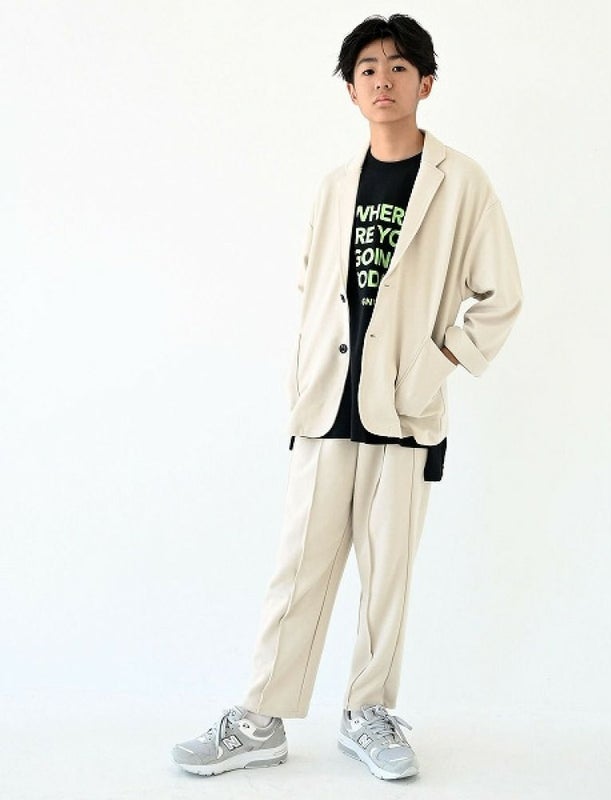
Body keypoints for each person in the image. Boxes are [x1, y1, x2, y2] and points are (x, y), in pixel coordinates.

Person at [171, 12, 523, 782]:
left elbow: (501, 296)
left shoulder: (462, 183)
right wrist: (302, 383)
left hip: (404, 412)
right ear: (351, 90)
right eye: (367, 69)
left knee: (386, 574)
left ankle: (369, 712)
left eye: (399, 67)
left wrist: (434, 364)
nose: (382, 80)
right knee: (297, 566)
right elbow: (312, 294)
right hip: (326, 408)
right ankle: (261, 717)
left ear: (426, 83)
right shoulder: (335, 188)